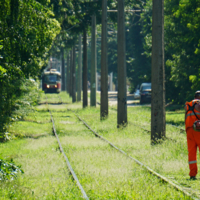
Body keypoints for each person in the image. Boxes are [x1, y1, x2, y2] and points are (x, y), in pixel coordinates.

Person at [185, 91, 200, 180]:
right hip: (198, 130)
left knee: (191, 153)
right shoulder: (199, 104)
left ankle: (192, 174)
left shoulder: (187, 105)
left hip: (189, 130)